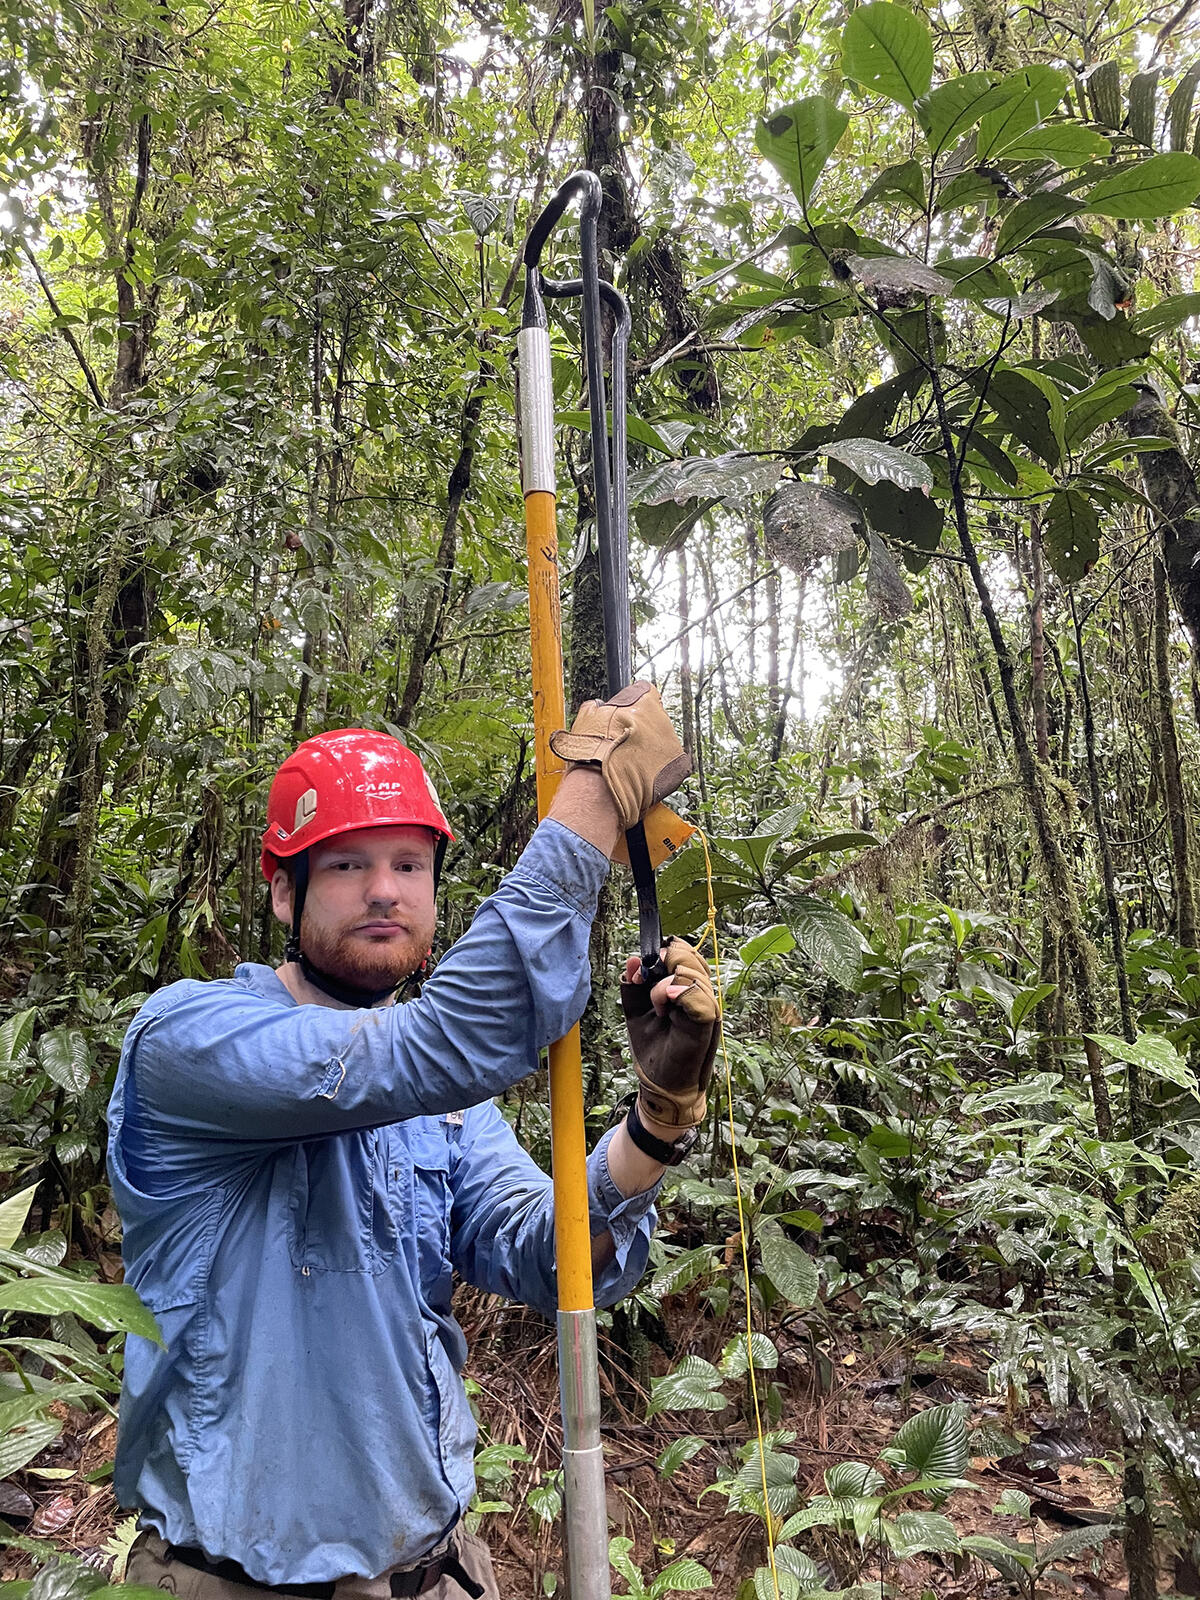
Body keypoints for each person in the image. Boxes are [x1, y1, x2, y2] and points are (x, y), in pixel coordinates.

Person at [107, 684, 719, 1600]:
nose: (386, 889)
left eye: (409, 863)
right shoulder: (191, 1042)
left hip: (433, 1574)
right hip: (232, 1583)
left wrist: (658, 1119)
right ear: (284, 889)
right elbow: (445, 1044)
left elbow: (551, 1256)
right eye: (348, 866)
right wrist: (591, 800)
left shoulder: (441, 1100)